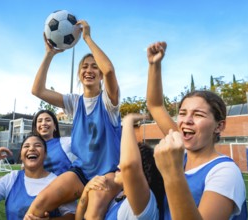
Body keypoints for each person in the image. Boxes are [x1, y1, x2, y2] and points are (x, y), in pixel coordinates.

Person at [27, 19, 122, 219]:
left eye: (94, 67)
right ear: (79, 73)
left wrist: (87, 37)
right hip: (81, 172)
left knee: (92, 211)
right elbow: (37, 90)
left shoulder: (108, 102)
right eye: (85, 67)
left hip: (108, 173)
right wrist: (49, 54)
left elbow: (110, 71)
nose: (89, 70)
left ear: (100, 75)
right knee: (40, 203)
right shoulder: (74, 102)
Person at [146, 41, 248, 219]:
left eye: (198, 115)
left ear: (219, 126)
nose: (187, 120)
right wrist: (154, 65)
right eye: (183, 113)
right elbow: (155, 106)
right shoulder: (183, 152)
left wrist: (172, 172)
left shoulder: (224, 172)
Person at [0, 134, 76, 220]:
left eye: (37, 145)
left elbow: (72, 216)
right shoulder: (11, 179)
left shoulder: (57, 182)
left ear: (45, 154)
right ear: (21, 156)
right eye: (26, 146)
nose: (31, 148)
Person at [76, 113, 165, 220]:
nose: (119, 165)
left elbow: (129, 165)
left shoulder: (144, 202)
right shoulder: (118, 197)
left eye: (122, 161)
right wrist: (85, 192)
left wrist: (128, 120)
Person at [32, 109, 76, 176]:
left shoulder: (67, 142)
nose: (43, 123)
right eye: (40, 121)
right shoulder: (30, 150)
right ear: (36, 127)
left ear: (55, 126)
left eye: (48, 120)